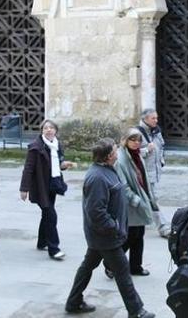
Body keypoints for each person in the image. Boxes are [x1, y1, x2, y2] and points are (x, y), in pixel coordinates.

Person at [65, 139, 155, 318]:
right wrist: (113, 227)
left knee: (87, 266)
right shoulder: (97, 177)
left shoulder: (107, 171)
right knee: (122, 272)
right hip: (106, 236)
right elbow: (96, 212)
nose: (118, 152)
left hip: (103, 236)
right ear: (108, 156)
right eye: (115, 150)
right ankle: (136, 310)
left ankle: (73, 302)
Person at [20, 119, 77, 260]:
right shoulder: (35, 147)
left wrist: (65, 165)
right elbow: (28, 169)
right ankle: (54, 248)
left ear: (56, 131)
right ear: (42, 131)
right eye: (45, 128)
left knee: (46, 213)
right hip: (40, 186)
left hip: (53, 184)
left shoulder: (56, 145)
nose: (49, 130)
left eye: (51, 128)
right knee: (51, 214)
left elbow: (57, 163)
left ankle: (42, 242)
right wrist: (24, 188)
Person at [113, 128, 155, 276]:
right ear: (125, 140)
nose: (136, 143)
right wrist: (136, 200)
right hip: (130, 204)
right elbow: (123, 185)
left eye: (138, 140)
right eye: (133, 140)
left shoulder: (136, 155)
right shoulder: (120, 158)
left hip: (141, 199)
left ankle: (135, 266)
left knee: (139, 235)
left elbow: (143, 178)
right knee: (130, 236)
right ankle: (110, 264)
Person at [138, 108, 171, 237]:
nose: (156, 121)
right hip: (142, 173)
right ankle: (163, 227)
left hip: (154, 172)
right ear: (145, 119)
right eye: (153, 118)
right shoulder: (137, 133)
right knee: (152, 199)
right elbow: (130, 153)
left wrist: (161, 160)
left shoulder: (157, 132)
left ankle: (138, 220)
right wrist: (146, 150)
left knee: (142, 198)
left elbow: (161, 146)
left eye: (156, 118)